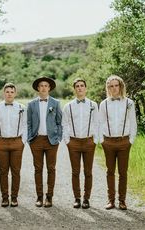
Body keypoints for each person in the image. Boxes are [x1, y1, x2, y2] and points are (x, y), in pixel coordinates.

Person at [99, 75, 137, 210]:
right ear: (108, 88)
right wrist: (102, 140)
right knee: (110, 171)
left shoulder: (129, 103)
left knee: (123, 172)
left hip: (124, 142)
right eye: (111, 86)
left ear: (121, 86)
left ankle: (122, 201)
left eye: (116, 85)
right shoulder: (104, 104)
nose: (114, 88)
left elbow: (133, 123)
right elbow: (100, 123)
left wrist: (130, 140)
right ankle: (111, 200)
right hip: (108, 142)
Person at [62, 78, 99, 209]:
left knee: (88, 172)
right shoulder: (68, 106)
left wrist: (95, 140)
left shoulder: (93, 105)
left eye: (82, 86)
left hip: (89, 142)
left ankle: (86, 198)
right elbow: (64, 124)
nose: (80, 88)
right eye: (77, 86)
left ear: (86, 88)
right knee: (75, 171)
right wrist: (67, 141)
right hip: (74, 142)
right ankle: (77, 198)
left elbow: (96, 123)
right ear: (74, 89)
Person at [27, 76, 62, 208]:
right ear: (37, 88)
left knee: (51, 168)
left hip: (51, 140)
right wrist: (30, 138)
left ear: (49, 88)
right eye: (41, 85)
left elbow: (60, 122)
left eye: (46, 86)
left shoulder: (56, 103)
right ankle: (39, 196)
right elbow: (28, 122)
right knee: (38, 169)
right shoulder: (31, 104)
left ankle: (49, 197)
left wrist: (58, 137)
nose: (43, 88)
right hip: (36, 140)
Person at [0, 83, 27, 207]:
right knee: (3, 171)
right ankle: (5, 197)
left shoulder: (22, 107)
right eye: (7, 92)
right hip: (1, 142)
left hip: (17, 142)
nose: (9, 94)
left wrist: (23, 141)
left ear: (15, 93)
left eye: (12, 92)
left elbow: (25, 125)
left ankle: (14, 197)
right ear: (3, 93)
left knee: (16, 171)